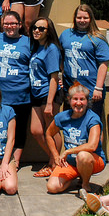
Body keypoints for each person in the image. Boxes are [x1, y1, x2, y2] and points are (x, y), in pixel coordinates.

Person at [0, 11, 31, 166]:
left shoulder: (28, 42)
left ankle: (15, 160)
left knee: (19, 129)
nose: (10, 26)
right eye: (6, 23)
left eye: (13, 23)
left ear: (20, 25)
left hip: (20, 93)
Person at [45, 83, 106, 195]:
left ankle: (85, 184)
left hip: (92, 160)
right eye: (75, 99)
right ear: (69, 100)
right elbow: (49, 134)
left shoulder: (93, 119)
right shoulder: (62, 117)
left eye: (82, 99)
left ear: (87, 101)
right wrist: (55, 156)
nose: (78, 103)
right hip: (71, 162)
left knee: (82, 156)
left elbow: (92, 146)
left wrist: (67, 151)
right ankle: (74, 175)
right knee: (52, 187)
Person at [59, 4, 109, 117]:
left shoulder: (97, 38)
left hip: (91, 90)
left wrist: (98, 88)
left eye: (85, 18)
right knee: (71, 123)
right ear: (74, 18)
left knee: (92, 123)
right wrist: (61, 74)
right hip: (71, 90)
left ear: (91, 19)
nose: (82, 20)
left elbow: (104, 64)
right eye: (79, 17)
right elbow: (60, 56)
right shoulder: (66, 35)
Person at [28, 17, 62, 177]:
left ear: (48, 32)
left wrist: (49, 103)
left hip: (48, 94)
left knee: (51, 131)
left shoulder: (51, 49)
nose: (37, 30)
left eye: (42, 28)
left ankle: (53, 164)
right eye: (35, 27)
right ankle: (56, 159)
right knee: (36, 130)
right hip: (35, 93)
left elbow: (54, 78)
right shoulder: (36, 47)